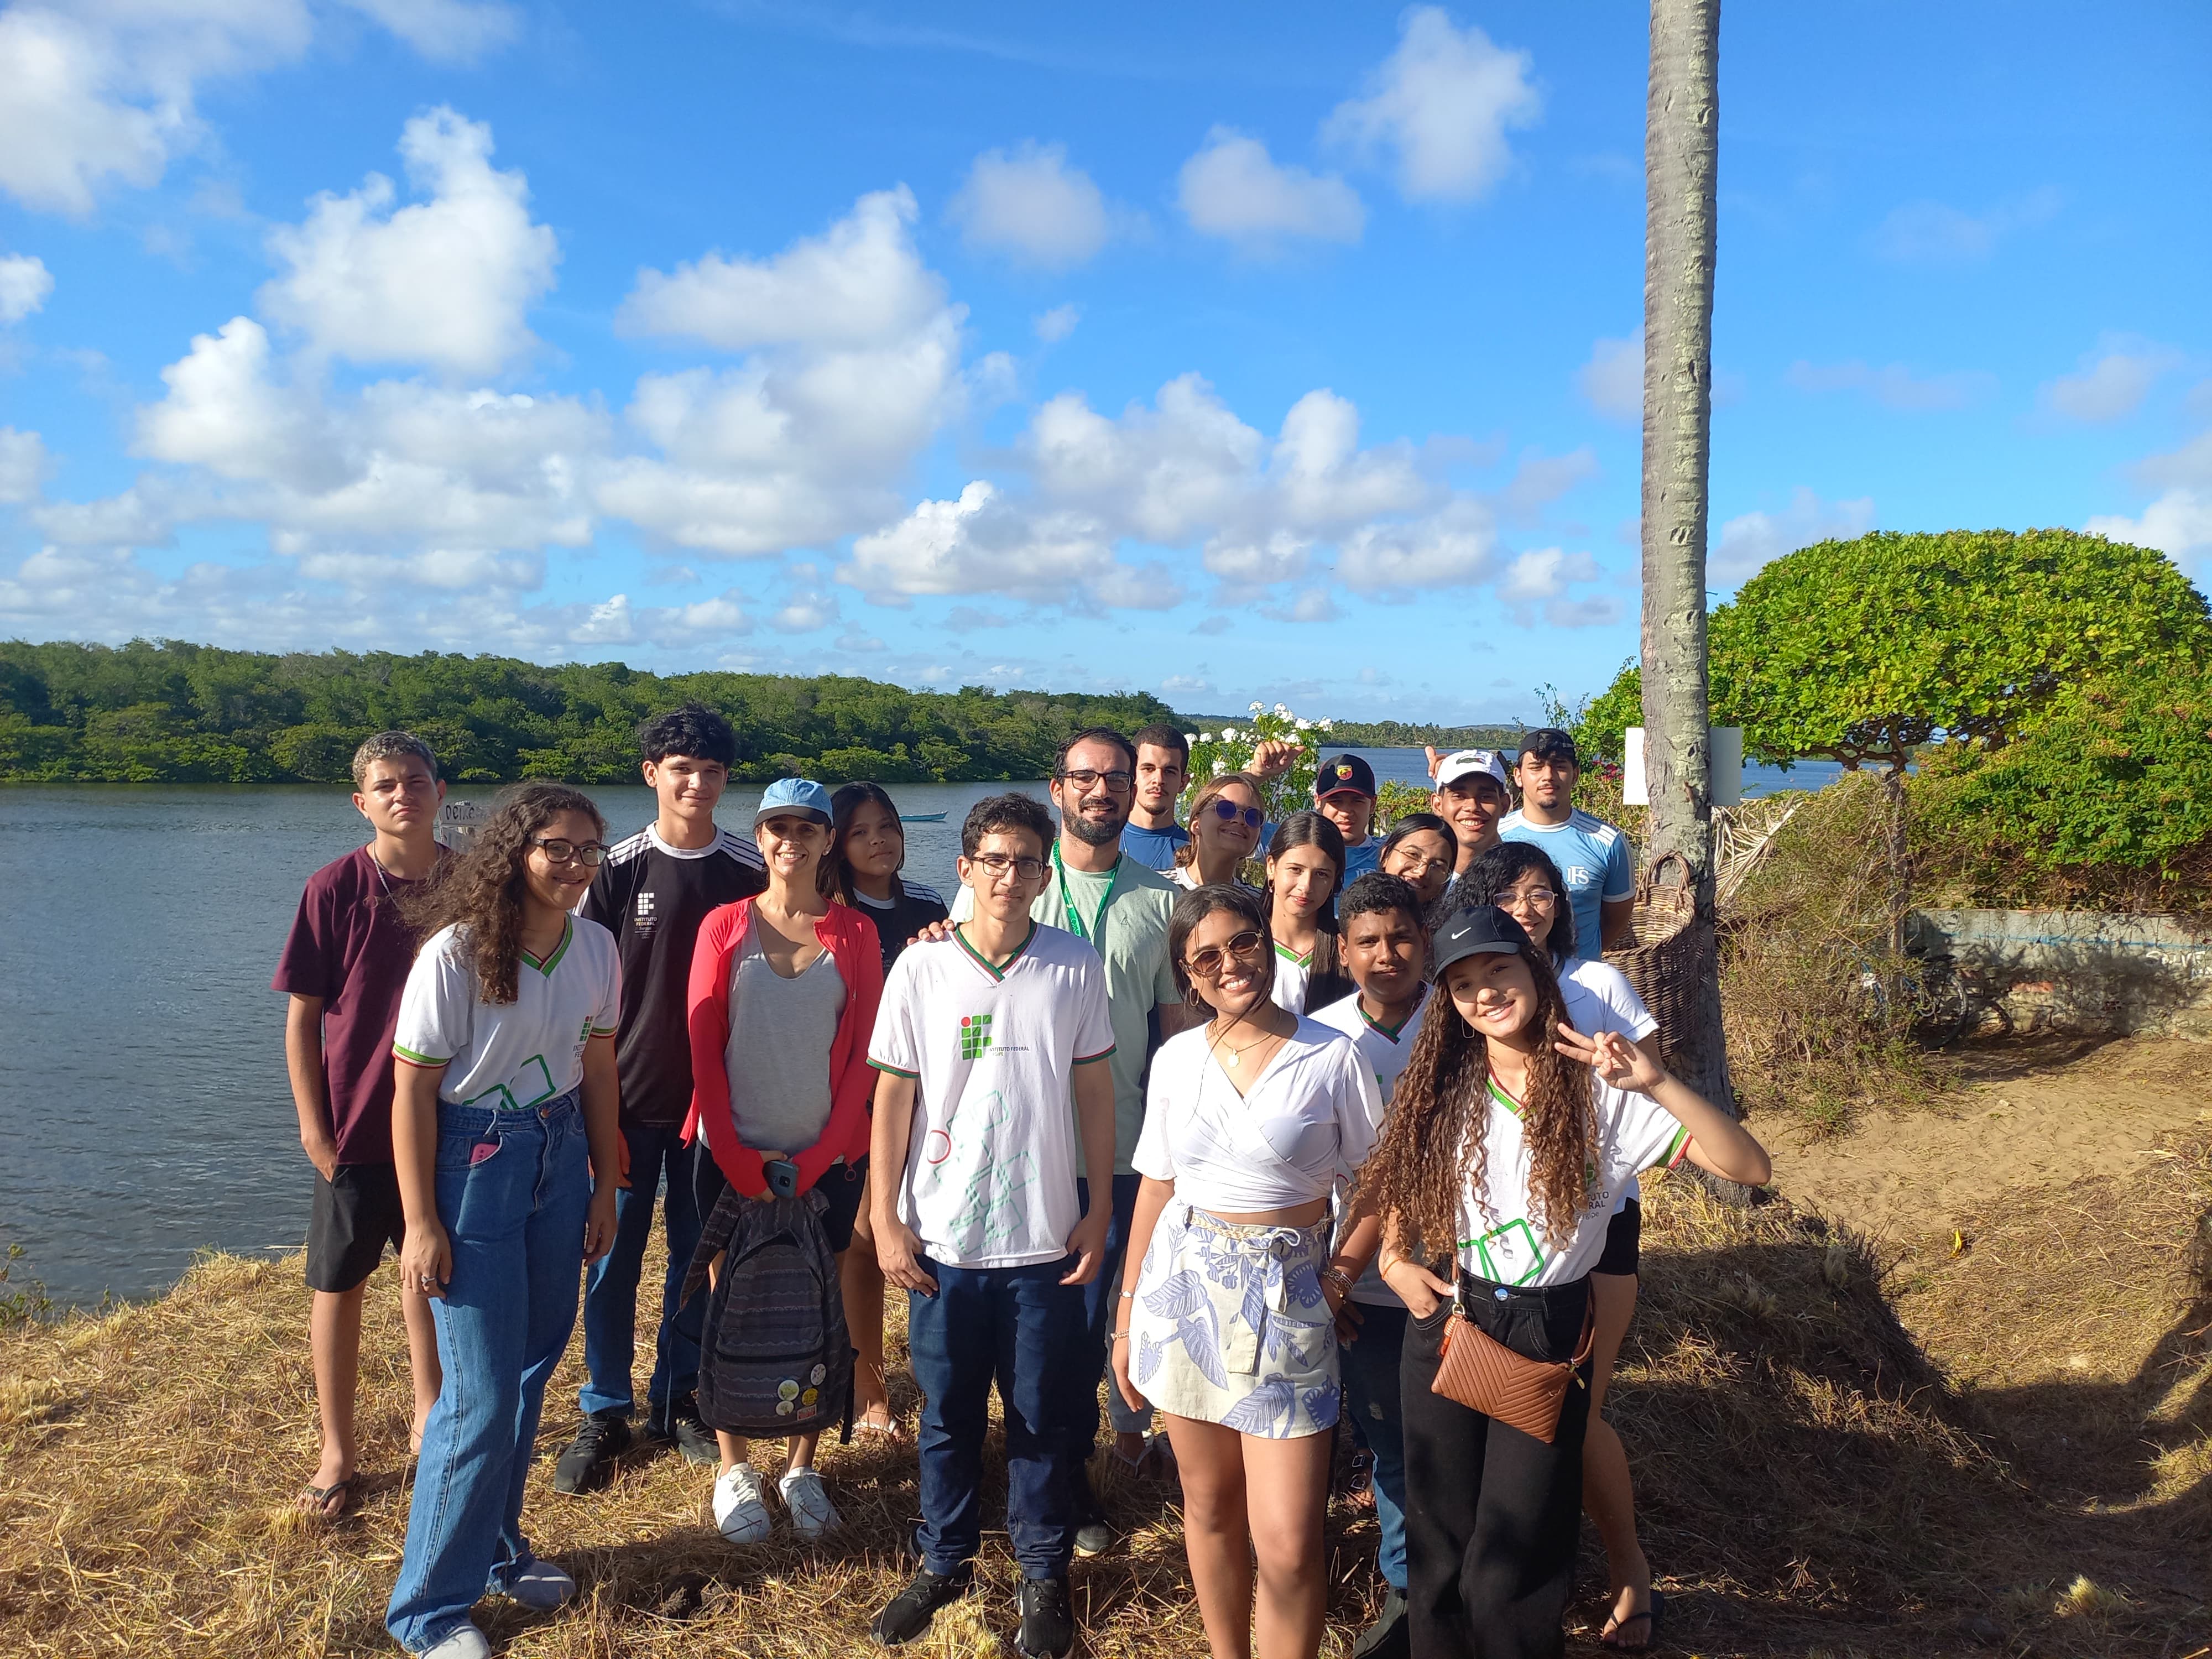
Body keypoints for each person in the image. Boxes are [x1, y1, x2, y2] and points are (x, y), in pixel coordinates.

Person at [1356, 906, 1771, 1659]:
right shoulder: (1445, 1086)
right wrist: (1392, 1257)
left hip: (1549, 1334)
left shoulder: (1606, 1090)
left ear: (1536, 973)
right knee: (1440, 1544)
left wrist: (1656, 1081)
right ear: (1449, 1004)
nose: (1485, 994)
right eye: (1462, 986)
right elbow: (1399, 1174)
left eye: (1499, 971)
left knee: (1515, 1558)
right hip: (1455, 1323)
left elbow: (1750, 1167)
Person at [866, 793, 1118, 1659]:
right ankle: (946, 1560)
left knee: (1045, 1411)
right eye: (994, 860)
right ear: (965, 869)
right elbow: (894, 1092)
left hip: (1044, 1233)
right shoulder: (921, 969)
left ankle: (1043, 1572)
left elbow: (1092, 1089)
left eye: (1026, 862)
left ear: (1045, 874)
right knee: (948, 1414)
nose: (1010, 877)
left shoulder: (1074, 965)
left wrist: (1099, 1206)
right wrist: (884, 1213)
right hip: (945, 1234)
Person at [384, 783, 625, 1659]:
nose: (574, 866)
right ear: (515, 850)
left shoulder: (596, 945)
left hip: (560, 1153)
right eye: (556, 847)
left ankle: (496, 1548)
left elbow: (598, 1068)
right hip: (474, 1161)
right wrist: (420, 1221)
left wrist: (606, 1182)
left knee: (529, 1370)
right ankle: (428, 1611)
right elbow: (411, 1090)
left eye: (589, 851)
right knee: (478, 1398)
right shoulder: (456, 953)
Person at [1112, 884, 1382, 1659]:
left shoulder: (1330, 1054)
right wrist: (1128, 1321)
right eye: (1207, 956)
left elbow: (1375, 1183)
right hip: (1186, 1291)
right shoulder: (1174, 1062)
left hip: (1291, 1296)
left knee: (1292, 1539)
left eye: (1243, 943)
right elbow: (1158, 1190)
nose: (1230, 964)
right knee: (1210, 1506)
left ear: (1267, 943)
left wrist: (1337, 1280)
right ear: (1187, 977)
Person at [947, 728, 1183, 1551]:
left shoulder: (1163, 901)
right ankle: (985, 1481)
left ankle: (1069, 1480)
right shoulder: (1011, 885)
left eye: (1118, 778)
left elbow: (1178, 1037)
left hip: (1115, 1152)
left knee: (1082, 1331)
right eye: (1085, 776)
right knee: (1017, 1334)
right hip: (1013, 1156)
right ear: (1058, 789)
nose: (1102, 790)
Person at [1455, 842, 1664, 1650]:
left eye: (1543, 891)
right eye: (1508, 893)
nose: (1530, 905)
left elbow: (1655, 1091)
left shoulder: (1596, 984)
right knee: (1511, 1425)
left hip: (1598, 1224)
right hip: (1499, 1244)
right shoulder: (1471, 993)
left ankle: (1626, 1569)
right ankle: (1522, 1589)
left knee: (1577, 1415)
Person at [557, 703, 766, 1494]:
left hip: (716, 1107)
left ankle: (679, 1397)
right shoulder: (613, 868)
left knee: (694, 1257)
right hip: (624, 1101)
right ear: (652, 775)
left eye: (713, 772)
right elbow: (579, 985)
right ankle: (604, 1407)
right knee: (608, 1256)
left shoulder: (750, 869)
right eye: (682, 770)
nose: (698, 784)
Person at [685, 778, 884, 1545]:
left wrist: (824, 1152)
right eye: (775, 826)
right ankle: (734, 1467)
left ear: (828, 840)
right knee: (728, 1305)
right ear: (760, 837)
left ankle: (802, 1466)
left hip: (822, 1160)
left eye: (806, 827)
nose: (790, 840)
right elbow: (702, 1047)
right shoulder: (724, 926)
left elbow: (865, 1055)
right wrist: (737, 1156)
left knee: (822, 1310)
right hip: (729, 1154)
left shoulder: (856, 935)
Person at [273, 731, 448, 1521]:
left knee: (430, 1272)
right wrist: (316, 1129)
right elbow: (302, 1019)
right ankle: (337, 1449)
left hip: (450, 1122)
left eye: (416, 780)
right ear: (362, 801)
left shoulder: (473, 885)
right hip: (358, 1125)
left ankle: (429, 1415)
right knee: (339, 1284)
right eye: (386, 785)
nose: (403, 794)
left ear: (440, 791)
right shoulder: (334, 887)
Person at [1307, 872, 1432, 1659]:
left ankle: (1476, 1583)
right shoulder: (1317, 1038)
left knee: (1472, 1439)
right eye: (1368, 942)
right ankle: (1408, 1590)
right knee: (1390, 1443)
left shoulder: (1466, 1022)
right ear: (1344, 952)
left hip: (1465, 1275)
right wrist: (1334, 1276)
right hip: (1360, 1284)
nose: (1387, 956)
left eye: (1401, 938)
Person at [830, 780, 951, 1441]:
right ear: (839, 844)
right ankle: (868, 1387)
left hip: (928, 1093)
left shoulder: (930, 906)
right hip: (857, 1092)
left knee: (920, 1234)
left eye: (888, 827)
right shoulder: (831, 913)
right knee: (865, 1240)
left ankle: (936, 1378)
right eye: (860, 831)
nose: (878, 841)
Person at [1499, 728, 1636, 956]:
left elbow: (1616, 920)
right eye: (1536, 767)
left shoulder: (1609, 842)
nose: (1548, 776)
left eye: (1560, 766)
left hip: (1582, 984)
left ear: (1575, 775)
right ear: (1518, 776)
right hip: (1512, 981)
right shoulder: (1496, 838)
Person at [1264, 811, 1352, 1015]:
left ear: (1334, 881)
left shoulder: (1347, 951)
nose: (1306, 886)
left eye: (1321, 874)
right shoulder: (1243, 944)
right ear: (1271, 867)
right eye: (1295, 870)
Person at [1171, 770, 1267, 891]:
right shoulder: (1156, 887)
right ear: (1196, 824)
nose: (1239, 820)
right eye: (1226, 809)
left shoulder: (1258, 904)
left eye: (1252, 817)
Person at [1427, 749, 1514, 881]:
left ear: (1504, 805)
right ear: (1438, 805)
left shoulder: (1521, 877)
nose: (1472, 807)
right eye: (1459, 796)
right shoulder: (1423, 878)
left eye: (1485, 796)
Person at [1123, 724, 1194, 873]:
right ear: (1132, 775)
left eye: (1170, 771)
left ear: (1183, 783)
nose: (1159, 779)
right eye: (1149, 769)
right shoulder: (1102, 841)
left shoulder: (1194, 852)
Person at [1314, 753, 1384, 883]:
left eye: (1357, 801)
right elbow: (1263, 833)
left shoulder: (1387, 852)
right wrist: (1263, 776)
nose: (1346, 812)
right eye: (1335, 801)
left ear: (1373, 804)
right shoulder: (1295, 847)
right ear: (1318, 801)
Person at [1376, 813, 1458, 922]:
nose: (1422, 872)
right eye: (1413, 854)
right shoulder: (1354, 918)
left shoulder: (1450, 932)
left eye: (1438, 866)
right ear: (1385, 855)